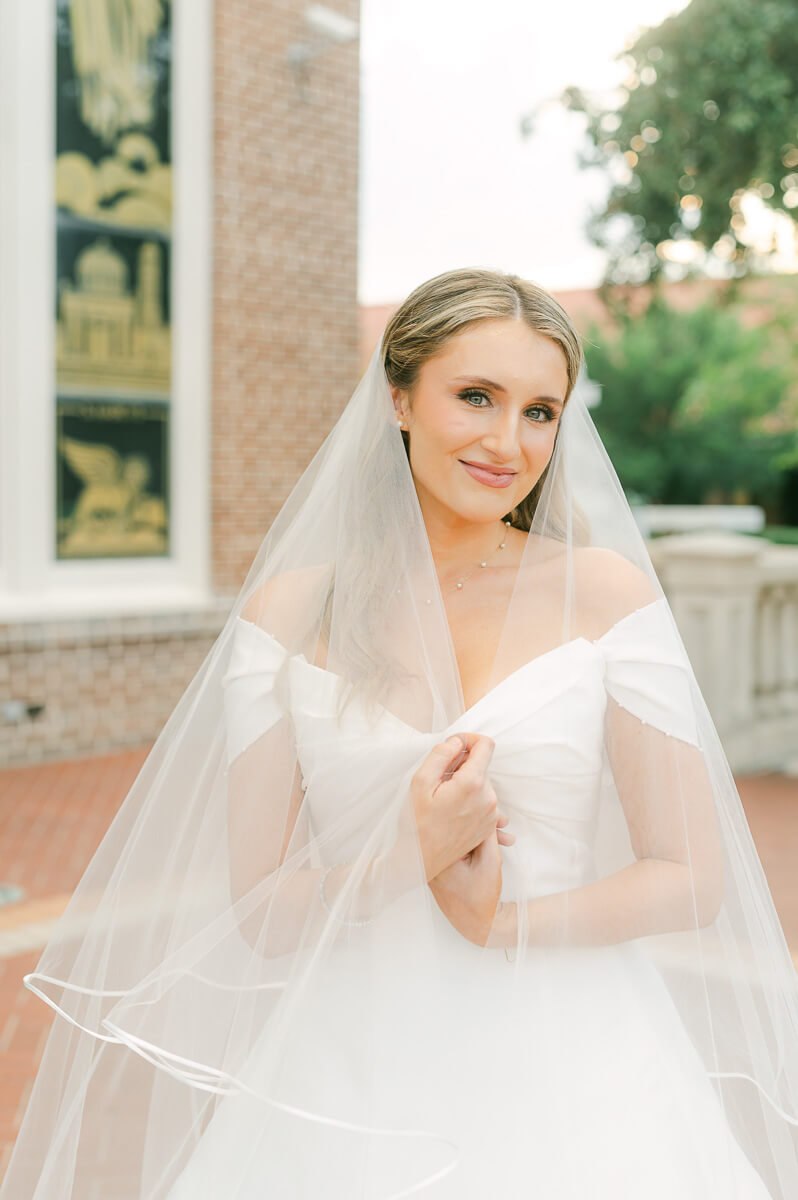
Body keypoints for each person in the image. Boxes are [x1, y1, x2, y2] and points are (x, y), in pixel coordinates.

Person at [5, 268, 798, 1199]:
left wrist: (502, 923)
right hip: (345, 1069)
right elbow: (257, 912)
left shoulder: (606, 594)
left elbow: (691, 875)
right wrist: (402, 855)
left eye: (541, 411)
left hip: (572, 1057)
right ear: (399, 399)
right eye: (476, 397)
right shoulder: (288, 613)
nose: (510, 441)